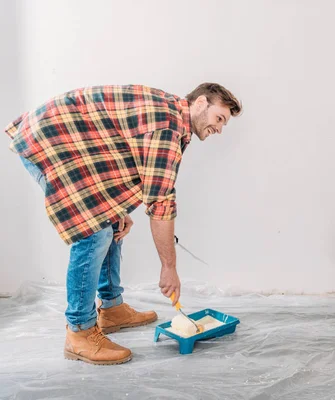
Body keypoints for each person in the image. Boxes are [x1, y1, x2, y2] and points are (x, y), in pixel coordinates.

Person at [5, 83, 242, 365]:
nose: (219, 129)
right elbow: (160, 204)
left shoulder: (172, 118)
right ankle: (79, 331)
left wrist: (116, 208)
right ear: (201, 103)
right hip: (48, 141)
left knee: (110, 221)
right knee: (94, 233)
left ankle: (112, 309)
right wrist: (169, 268)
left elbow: (120, 156)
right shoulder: (168, 128)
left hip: (75, 147)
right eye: (220, 119)